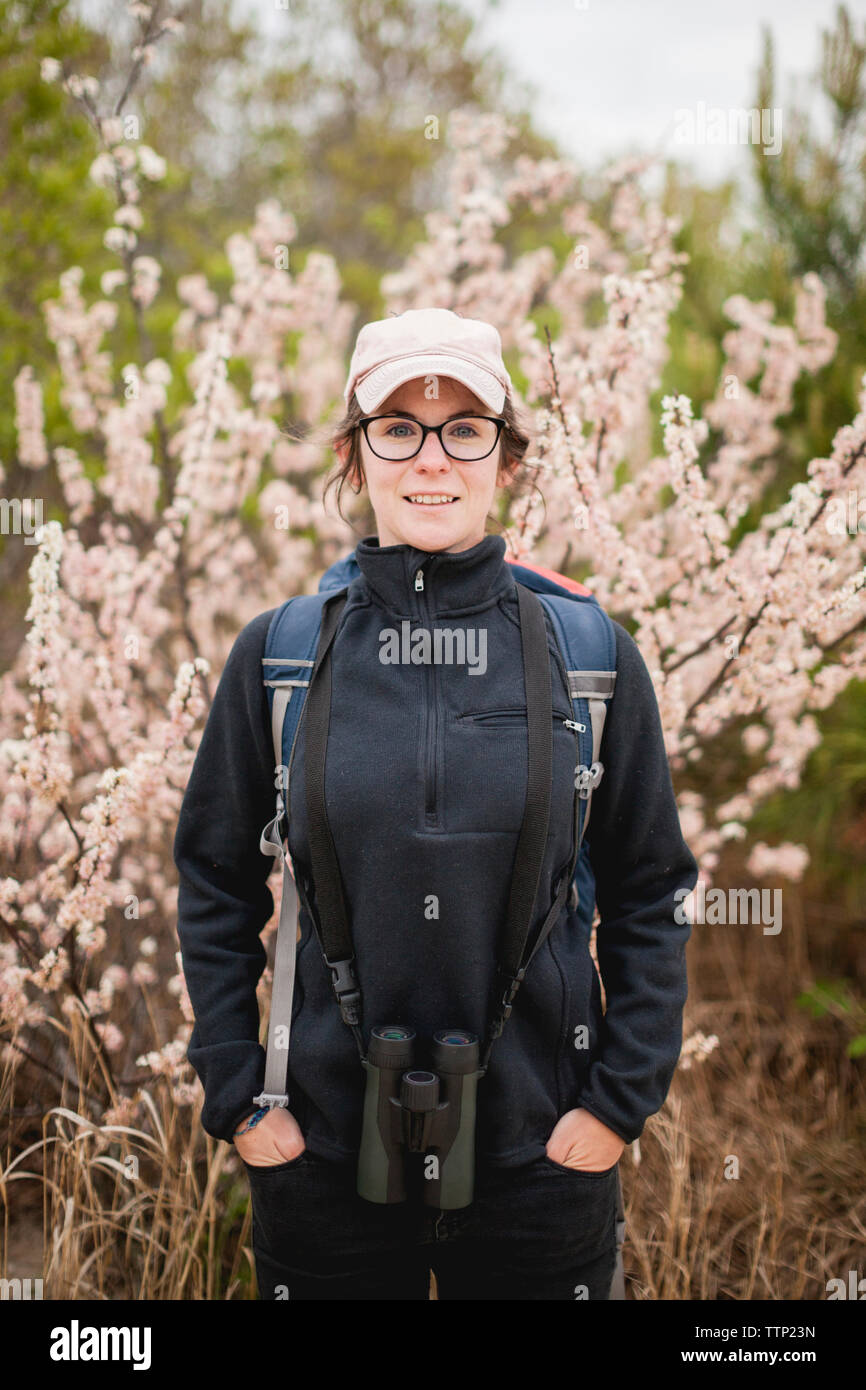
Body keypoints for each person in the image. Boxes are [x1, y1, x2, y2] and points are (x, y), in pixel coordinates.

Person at [174, 306, 699, 1301]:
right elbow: (212, 877)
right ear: (354, 452)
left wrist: (617, 1103)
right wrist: (239, 1095)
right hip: (319, 1157)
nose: (431, 458)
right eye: (398, 427)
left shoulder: (589, 658)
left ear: (505, 459)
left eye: (464, 429)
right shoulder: (280, 656)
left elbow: (651, 889)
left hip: (540, 1162)